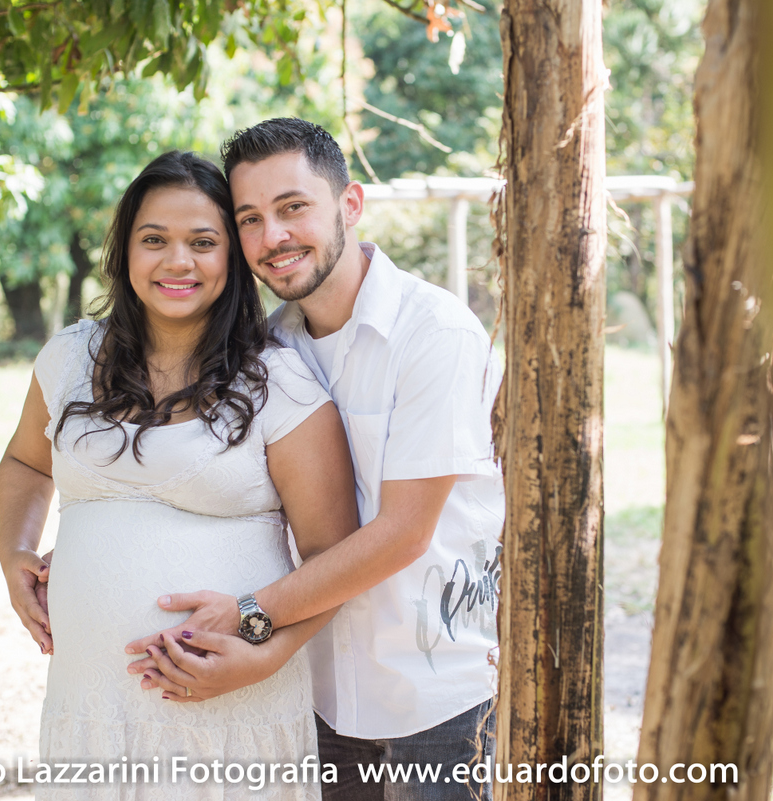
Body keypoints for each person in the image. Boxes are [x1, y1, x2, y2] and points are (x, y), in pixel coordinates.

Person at [127, 120, 505, 801]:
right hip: (322, 692)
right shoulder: (265, 350)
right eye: (250, 218)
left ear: (350, 205)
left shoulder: (433, 333)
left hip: (440, 695)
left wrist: (249, 614)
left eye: (293, 207)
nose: (273, 237)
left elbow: (402, 533)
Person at [0, 150, 359, 800]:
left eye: (203, 242)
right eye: (154, 239)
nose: (177, 262)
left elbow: (336, 558)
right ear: (125, 249)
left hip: (232, 719)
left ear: (233, 257)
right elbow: (25, 462)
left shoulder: (280, 381)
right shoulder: (68, 357)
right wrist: (15, 549)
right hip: (92, 716)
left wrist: (264, 647)